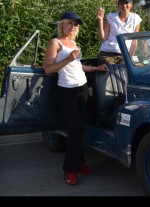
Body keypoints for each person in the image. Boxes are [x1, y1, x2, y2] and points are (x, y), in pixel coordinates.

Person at [43, 11, 109, 185]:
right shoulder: (55, 42)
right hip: (66, 90)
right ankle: (69, 170)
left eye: (76, 24)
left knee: (80, 128)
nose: (73, 27)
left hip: (82, 88)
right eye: (70, 23)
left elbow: (78, 66)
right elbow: (48, 69)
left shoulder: (74, 42)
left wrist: (96, 69)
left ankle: (80, 164)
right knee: (73, 131)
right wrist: (68, 58)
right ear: (62, 25)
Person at [96, 0, 142, 65]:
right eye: (121, 3)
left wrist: (128, 58)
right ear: (118, 5)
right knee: (113, 72)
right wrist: (100, 20)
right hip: (108, 55)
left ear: (131, 4)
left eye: (126, 3)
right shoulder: (111, 17)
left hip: (125, 55)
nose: (124, 6)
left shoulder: (136, 18)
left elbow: (134, 42)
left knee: (137, 68)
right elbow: (102, 38)